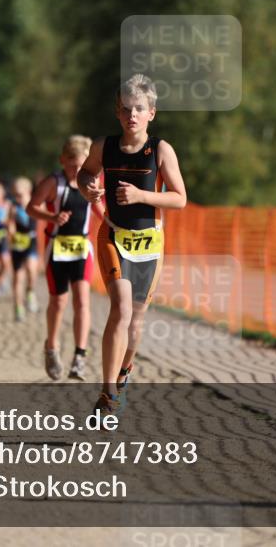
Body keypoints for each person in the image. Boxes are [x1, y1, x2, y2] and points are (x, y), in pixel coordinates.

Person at [78, 74, 187, 413]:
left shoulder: (161, 150)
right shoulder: (104, 146)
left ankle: (125, 370)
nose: (132, 115)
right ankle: (107, 394)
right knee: (120, 309)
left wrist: (142, 195)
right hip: (113, 235)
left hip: (149, 244)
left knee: (136, 320)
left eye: (139, 108)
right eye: (126, 109)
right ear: (118, 112)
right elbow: (85, 172)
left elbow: (180, 198)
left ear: (151, 113)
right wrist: (88, 187)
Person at [28, 135, 103, 381]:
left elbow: (101, 211)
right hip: (57, 249)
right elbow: (31, 207)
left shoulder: (91, 182)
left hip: (81, 249)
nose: (76, 170)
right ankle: (51, 347)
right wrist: (52, 218)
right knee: (58, 302)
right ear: (62, 160)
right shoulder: (54, 183)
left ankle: (79, 357)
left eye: (81, 165)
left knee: (82, 300)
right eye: (71, 164)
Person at [8, 177, 40, 322]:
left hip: (31, 241)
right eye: (15, 195)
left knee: (32, 270)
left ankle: (31, 291)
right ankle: (18, 307)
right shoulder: (13, 207)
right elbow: (10, 224)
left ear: (28, 192)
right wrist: (11, 230)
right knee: (17, 279)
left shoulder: (35, 204)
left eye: (20, 195)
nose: (17, 198)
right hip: (17, 244)